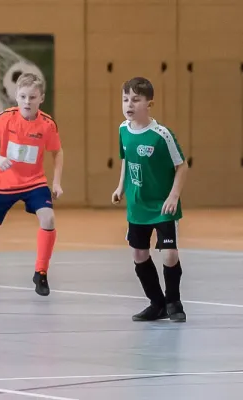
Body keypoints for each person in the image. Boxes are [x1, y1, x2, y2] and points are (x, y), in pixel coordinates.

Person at [0, 72, 64, 301]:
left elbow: (57, 151)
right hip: (3, 183)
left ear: (41, 98)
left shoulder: (47, 124)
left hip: (34, 182)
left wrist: (56, 182)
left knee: (48, 218)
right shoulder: (5, 118)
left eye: (32, 97)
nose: (27, 101)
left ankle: (41, 273)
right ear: (16, 96)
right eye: (23, 96)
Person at [112, 76, 188, 322]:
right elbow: (126, 159)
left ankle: (174, 302)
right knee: (139, 255)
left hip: (163, 205)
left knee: (169, 254)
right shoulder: (123, 129)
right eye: (125, 99)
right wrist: (120, 187)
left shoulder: (161, 135)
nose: (129, 104)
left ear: (149, 104)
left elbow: (182, 165)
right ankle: (157, 304)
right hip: (137, 206)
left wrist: (174, 196)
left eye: (136, 99)